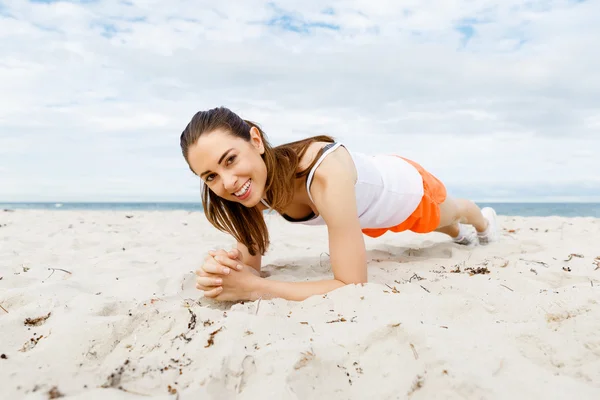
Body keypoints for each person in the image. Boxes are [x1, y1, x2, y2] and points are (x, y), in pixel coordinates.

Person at [180, 106, 499, 302]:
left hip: (407, 191)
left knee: (450, 214)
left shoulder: (323, 175)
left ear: (255, 140)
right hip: (364, 213)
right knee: (447, 230)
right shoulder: (248, 188)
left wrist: (252, 289)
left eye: (230, 160)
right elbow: (250, 267)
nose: (228, 182)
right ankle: (460, 235)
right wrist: (226, 269)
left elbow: (351, 284)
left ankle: (482, 222)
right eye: (210, 176)